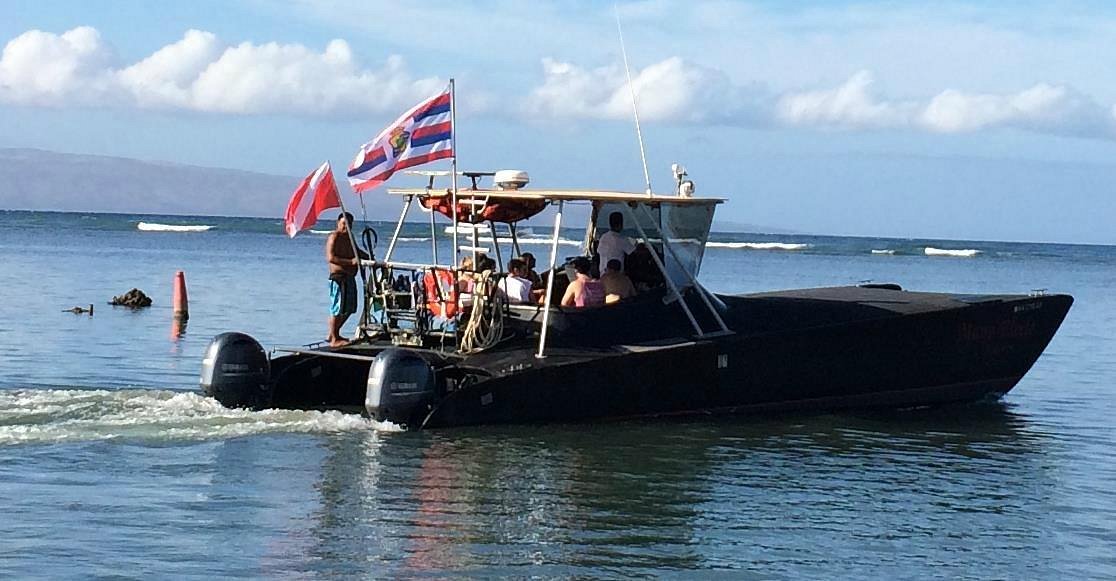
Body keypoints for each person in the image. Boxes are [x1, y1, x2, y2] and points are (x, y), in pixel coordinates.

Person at [325, 212, 367, 347]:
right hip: (338, 278)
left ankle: (334, 333)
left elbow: (356, 251)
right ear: (338, 223)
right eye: (344, 224)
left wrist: (367, 256)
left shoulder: (350, 237)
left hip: (350, 277)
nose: (346, 227)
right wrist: (351, 262)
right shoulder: (334, 237)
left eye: (349, 224)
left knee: (350, 308)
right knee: (337, 307)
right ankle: (334, 338)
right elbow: (331, 258)